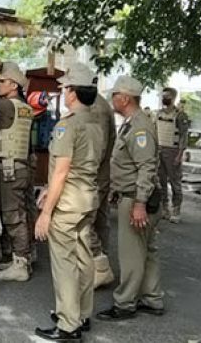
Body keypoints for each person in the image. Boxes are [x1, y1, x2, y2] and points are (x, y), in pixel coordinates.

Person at [34, 63, 103, 342]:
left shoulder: (68, 125)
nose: (62, 92)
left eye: (64, 88)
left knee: (64, 263)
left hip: (68, 202)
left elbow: (62, 171)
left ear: (73, 93)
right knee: (84, 258)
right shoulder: (96, 124)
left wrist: (45, 213)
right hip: (87, 199)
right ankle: (82, 314)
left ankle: (68, 325)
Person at [97, 76, 165, 322]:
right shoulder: (131, 123)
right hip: (137, 195)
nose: (112, 99)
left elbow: (147, 167)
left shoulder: (138, 127)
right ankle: (152, 297)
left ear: (124, 98)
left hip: (138, 198)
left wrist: (138, 203)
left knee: (132, 253)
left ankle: (125, 303)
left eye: (114, 95)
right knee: (147, 251)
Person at [0, 62, 35, 282]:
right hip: (20, 166)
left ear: (13, 85)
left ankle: (20, 263)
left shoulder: (7, 107)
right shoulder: (24, 106)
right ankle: (17, 257)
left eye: (2, 82)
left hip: (10, 167)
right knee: (18, 213)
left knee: (13, 216)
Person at [89, 92, 117, 288]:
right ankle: (100, 261)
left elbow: (96, 150)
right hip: (100, 175)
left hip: (93, 176)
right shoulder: (101, 104)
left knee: (83, 221)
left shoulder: (96, 108)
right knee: (100, 218)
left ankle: (99, 264)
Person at [154, 87, 189, 223]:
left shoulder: (180, 115)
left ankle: (176, 210)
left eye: (167, 96)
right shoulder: (157, 114)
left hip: (173, 151)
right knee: (160, 181)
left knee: (175, 183)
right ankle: (164, 208)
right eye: (163, 96)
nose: (164, 98)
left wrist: (180, 155)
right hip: (159, 151)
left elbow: (183, 136)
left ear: (173, 98)